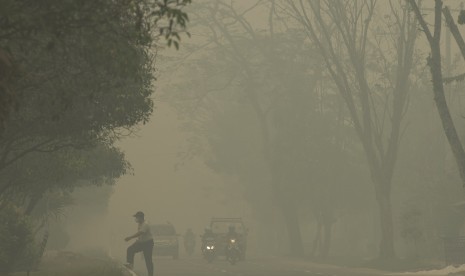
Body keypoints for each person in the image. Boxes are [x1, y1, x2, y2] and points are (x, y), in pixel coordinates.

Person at [124, 211, 154, 276]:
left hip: (148, 244)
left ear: (140, 217)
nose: (136, 219)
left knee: (148, 260)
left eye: (137, 217)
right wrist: (137, 241)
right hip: (141, 242)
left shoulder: (145, 224)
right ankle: (130, 264)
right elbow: (141, 235)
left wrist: (130, 237)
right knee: (130, 249)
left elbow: (140, 233)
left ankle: (150, 274)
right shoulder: (140, 224)